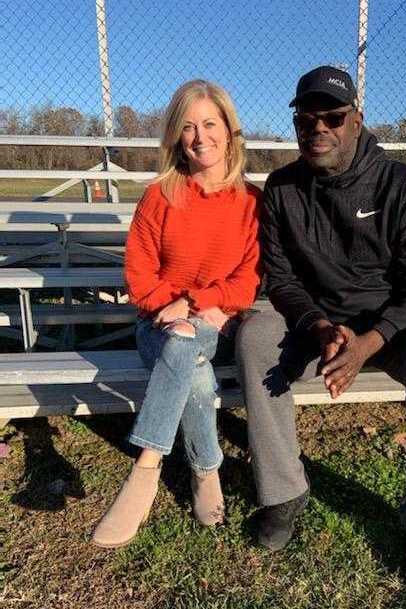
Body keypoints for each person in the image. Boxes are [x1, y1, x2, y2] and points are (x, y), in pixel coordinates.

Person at [235, 66, 406, 589]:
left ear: (356, 121)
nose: (318, 128)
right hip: (315, 323)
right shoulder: (282, 188)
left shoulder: (400, 184)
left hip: (394, 325)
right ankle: (283, 491)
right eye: (305, 119)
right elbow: (282, 279)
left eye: (333, 117)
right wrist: (318, 326)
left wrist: (370, 340)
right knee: (253, 337)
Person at [92, 80, 261, 548]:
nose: (199, 136)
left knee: (191, 339)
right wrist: (174, 310)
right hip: (156, 326)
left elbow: (248, 280)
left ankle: (146, 466)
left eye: (209, 124)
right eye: (187, 128)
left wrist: (195, 304)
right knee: (193, 364)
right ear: (175, 138)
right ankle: (205, 474)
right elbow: (140, 275)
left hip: (216, 322)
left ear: (229, 131)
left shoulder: (251, 202)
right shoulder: (159, 196)